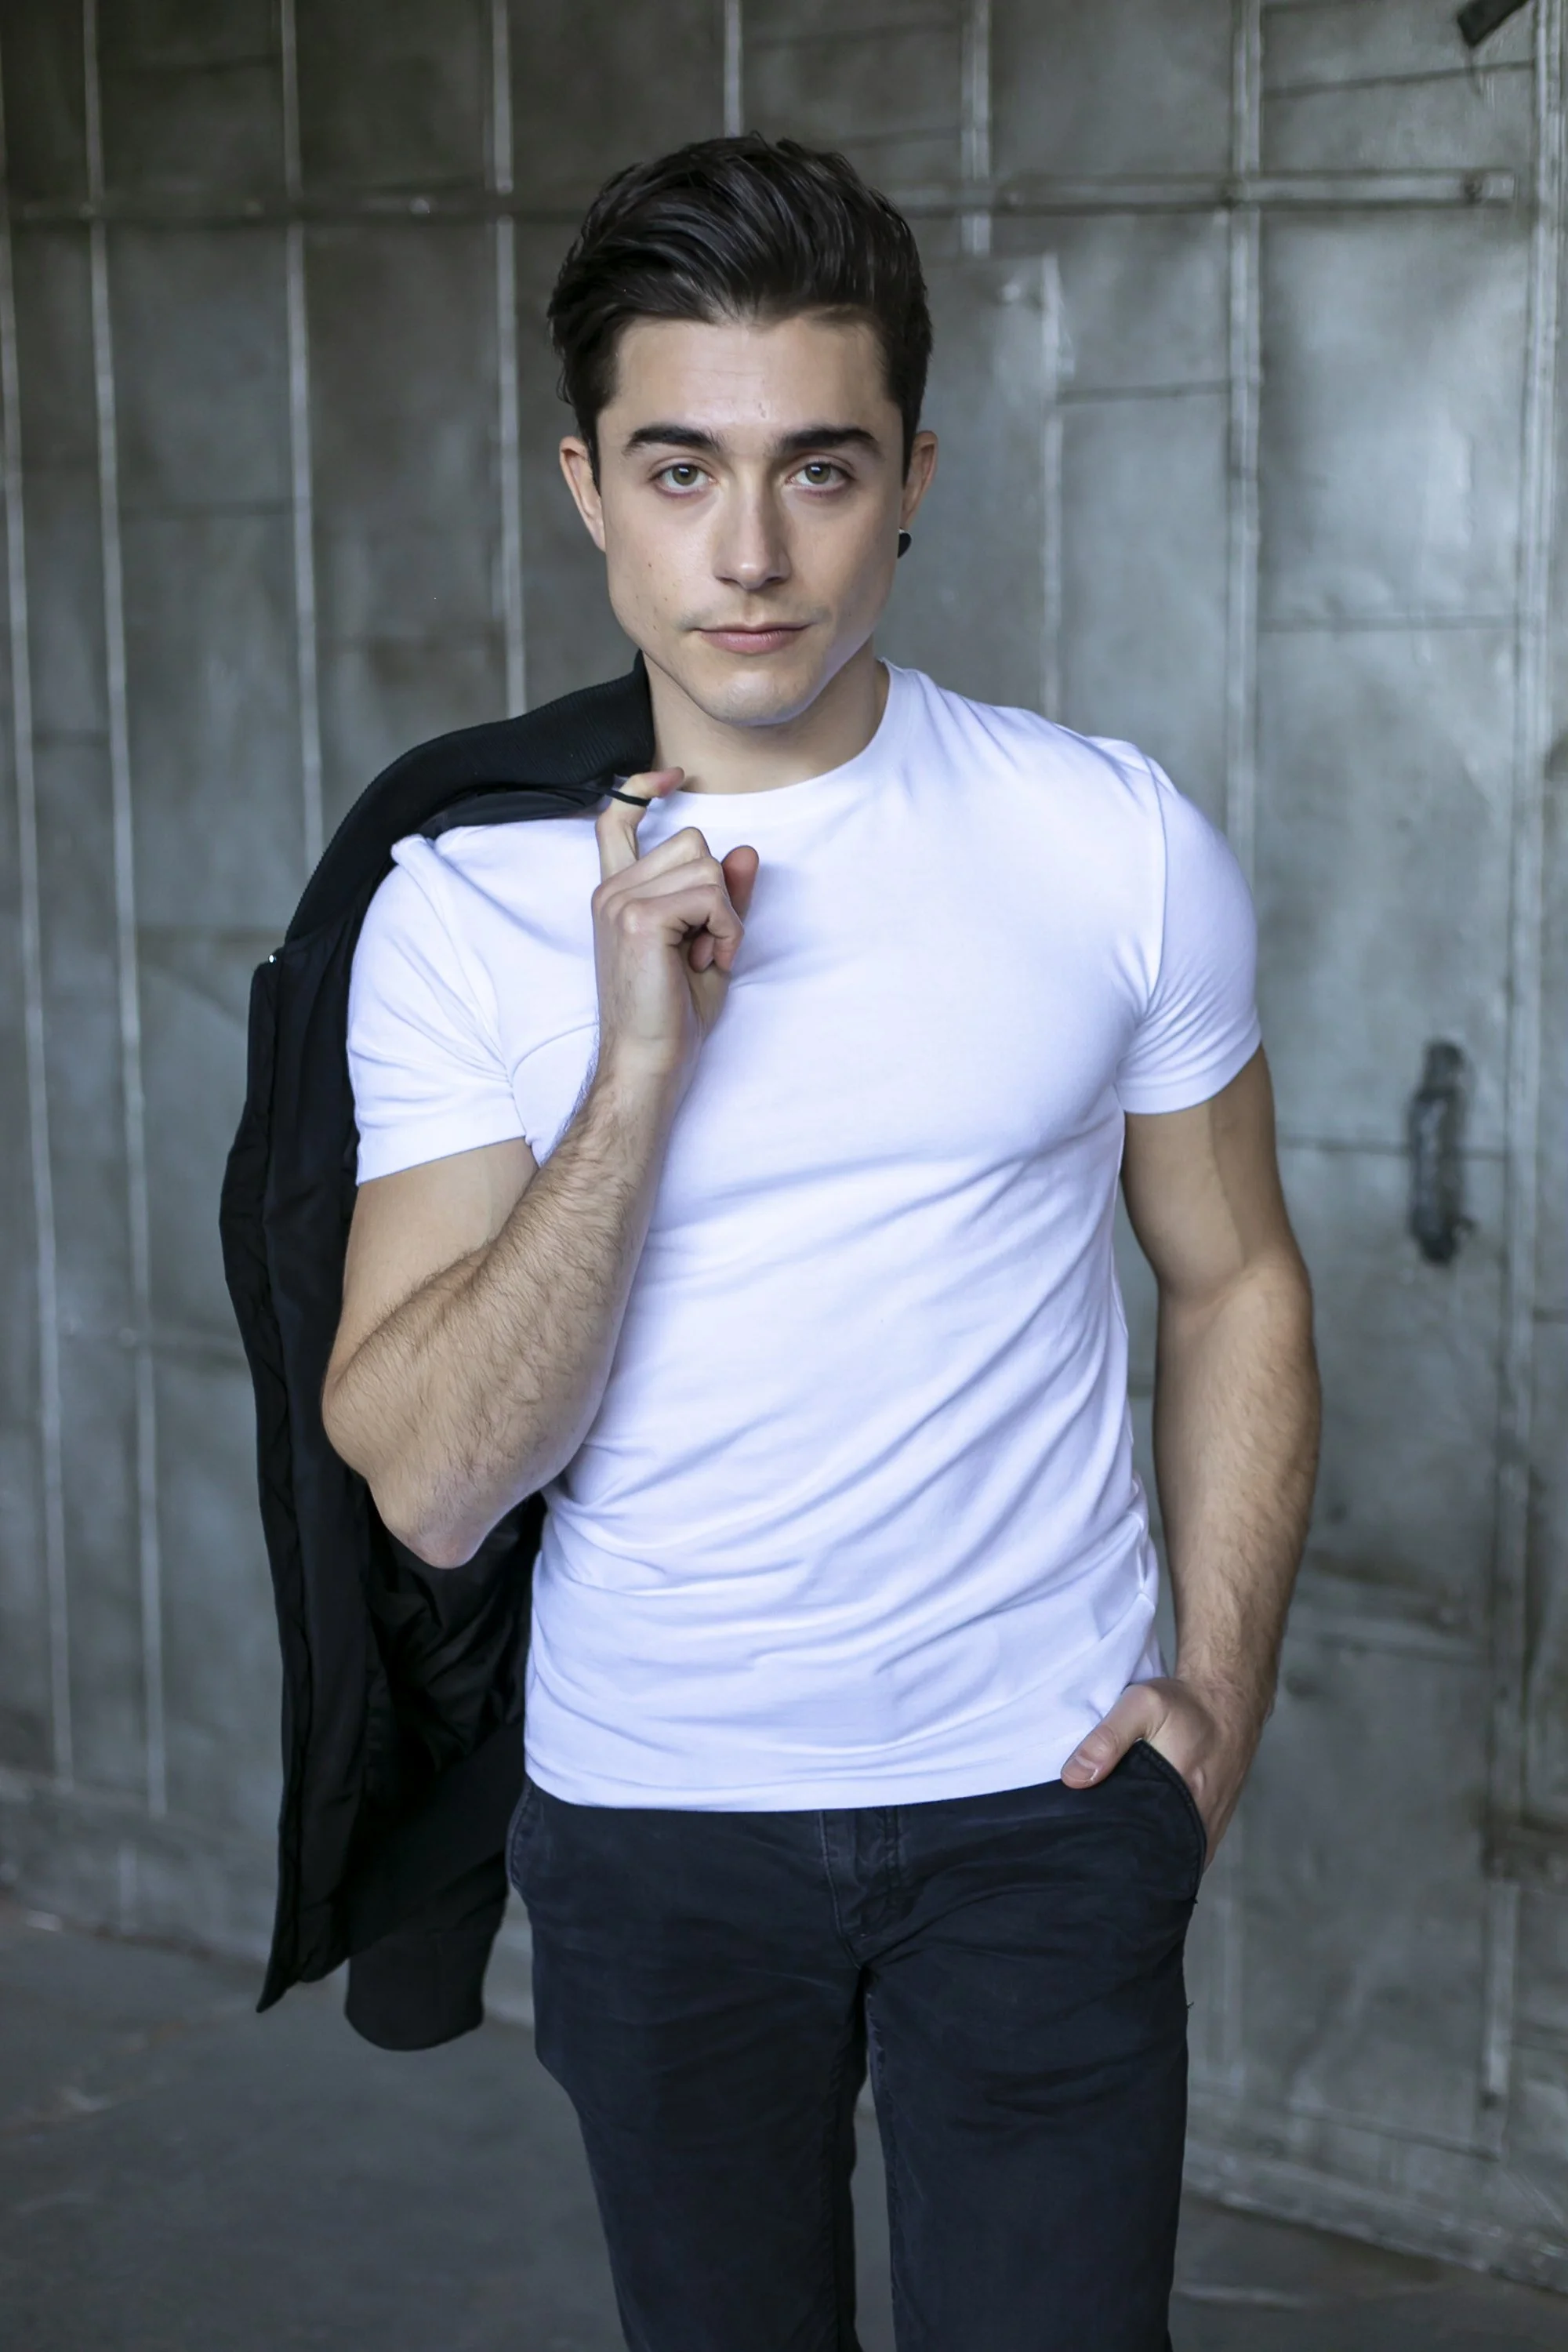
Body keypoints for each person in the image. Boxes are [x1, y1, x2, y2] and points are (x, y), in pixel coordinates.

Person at [321, 135, 1320, 2352]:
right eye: (681, 471)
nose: (750, 554)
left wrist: (1216, 1709)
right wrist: (640, 1076)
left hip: (1040, 1813)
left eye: (820, 472)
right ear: (587, 485)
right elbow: (432, 1472)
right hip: (659, 1827)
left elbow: (1237, 1273)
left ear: (914, 479)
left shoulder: (1110, 842)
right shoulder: (459, 913)